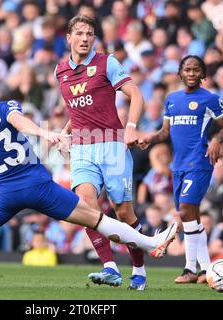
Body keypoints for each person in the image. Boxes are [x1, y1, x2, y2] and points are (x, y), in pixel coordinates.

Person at [0, 72, 177, 289]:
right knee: (96, 219)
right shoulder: (4, 107)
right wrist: (46, 133)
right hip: (37, 185)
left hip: (4, 194)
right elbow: (18, 122)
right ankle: (151, 243)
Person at [55, 15, 148, 290]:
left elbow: (137, 95)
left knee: (124, 214)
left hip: (112, 145)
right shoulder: (60, 70)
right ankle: (110, 268)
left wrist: (130, 127)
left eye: (90, 34)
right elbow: (78, 111)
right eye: (80, 33)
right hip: (83, 147)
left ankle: (139, 270)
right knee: (84, 206)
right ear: (68, 38)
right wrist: (63, 132)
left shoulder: (107, 62)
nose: (85, 38)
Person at [139, 55, 223, 284]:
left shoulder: (210, 99)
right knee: (192, 217)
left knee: (185, 212)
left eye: (196, 70)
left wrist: (215, 140)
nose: (191, 73)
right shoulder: (172, 100)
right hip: (178, 166)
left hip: (199, 163)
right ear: (180, 73)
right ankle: (206, 270)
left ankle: (190, 268)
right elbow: (164, 133)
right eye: (187, 70)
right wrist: (150, 139)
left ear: (203, 74)